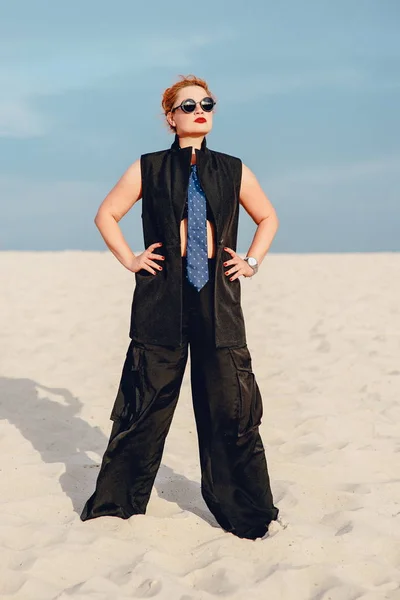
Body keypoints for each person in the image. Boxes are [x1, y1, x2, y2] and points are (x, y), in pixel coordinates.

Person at [80, 74, 280, 540]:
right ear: (171, 117)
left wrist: (250, 261)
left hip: (218, 298)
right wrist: (131, 258)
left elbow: (268, 216)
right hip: (161, 298)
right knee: (144, 404)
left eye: (206, 103)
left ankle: (245, 512)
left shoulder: (233, 169)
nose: (199, 110)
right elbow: (105, 214)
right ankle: (116, 507)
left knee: (232, 407)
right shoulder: (147, 168)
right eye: (188, 105)